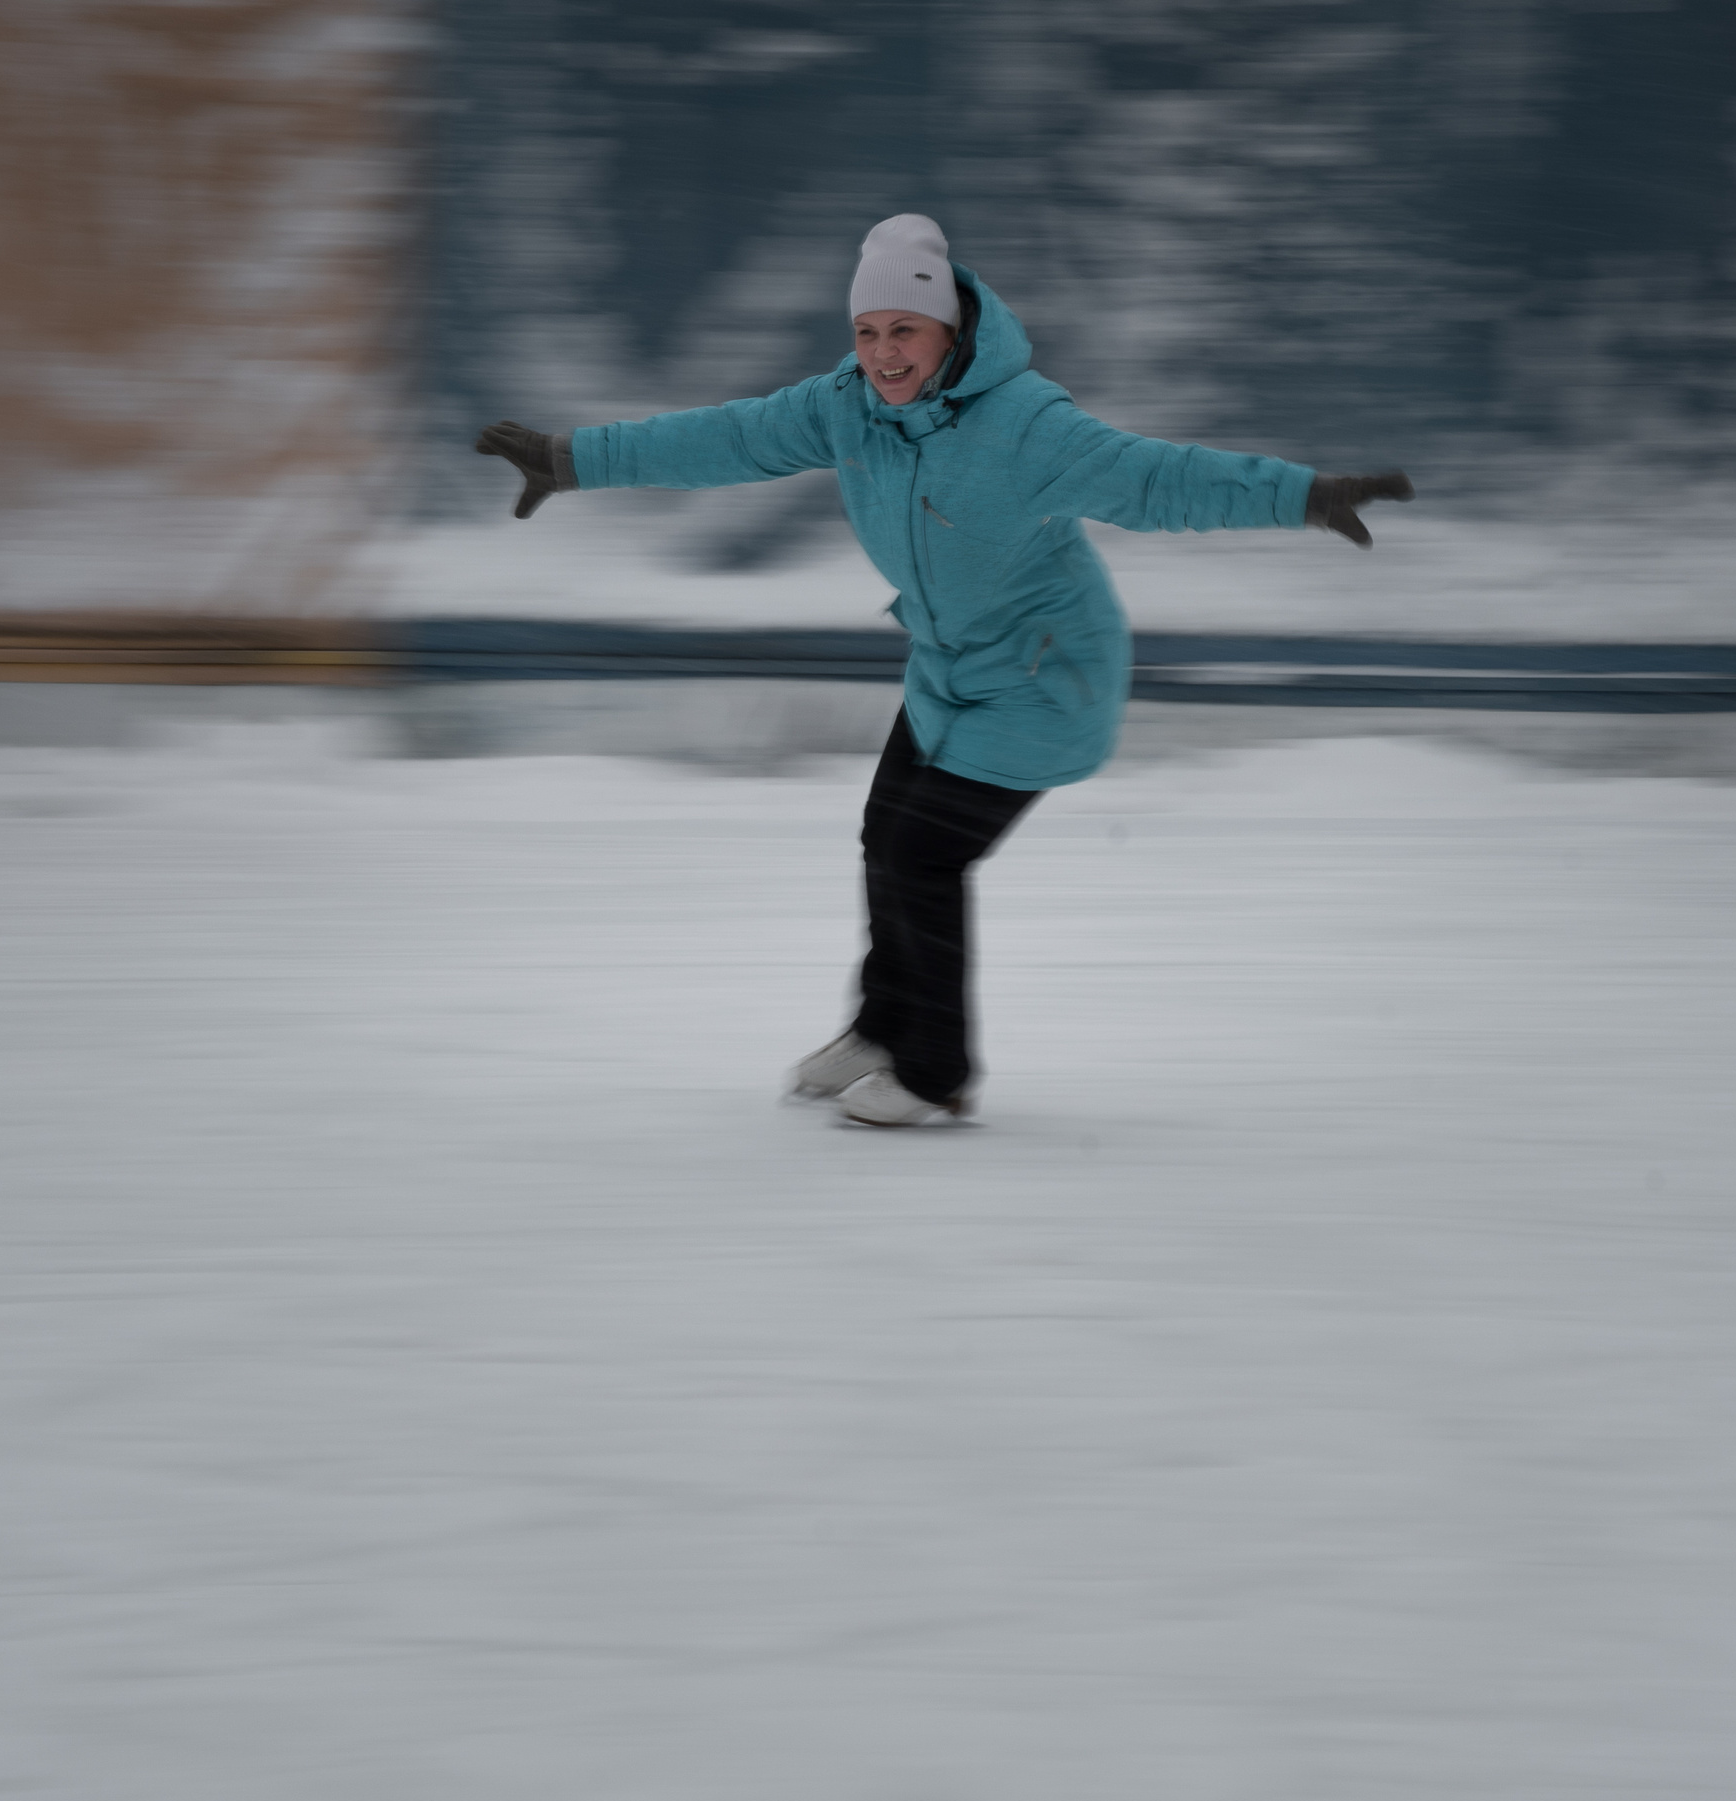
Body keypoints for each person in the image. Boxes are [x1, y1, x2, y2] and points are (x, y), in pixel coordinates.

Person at [476, 214, 1410, 1127]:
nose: (885, 354)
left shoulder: (1027, 426)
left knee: (923, 854)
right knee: (886, 834)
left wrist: (1306, 496)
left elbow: (1160, 480)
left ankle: (937, 1071)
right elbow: (723, 438)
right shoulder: (844, 406)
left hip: (1045, 680)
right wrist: (568, 460)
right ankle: (884, 1028)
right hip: (949, 666)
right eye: (868, 332)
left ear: (950, 330)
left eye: (905, 331)